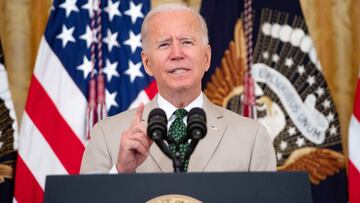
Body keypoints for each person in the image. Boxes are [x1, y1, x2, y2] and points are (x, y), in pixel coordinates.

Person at [80, 4, 276, 174]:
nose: (177, 53)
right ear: (147, 63)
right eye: (164, 44)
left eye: (187, 42)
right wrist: (120, 171)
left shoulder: (252, 137)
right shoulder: (106, 135)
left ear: (206, 57)